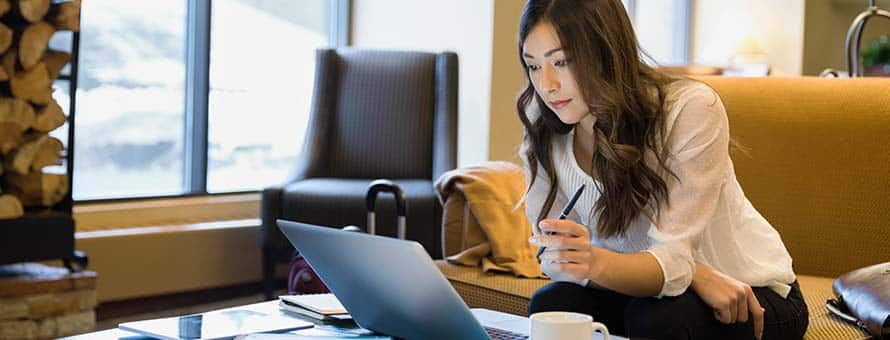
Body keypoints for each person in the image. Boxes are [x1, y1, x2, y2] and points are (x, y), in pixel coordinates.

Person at [516, 1, 809, 339]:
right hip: (648, 289)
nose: (547, 84)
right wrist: (694, 274)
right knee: (553, 304)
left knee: (657, 318)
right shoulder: (544, 128)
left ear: (605, 51)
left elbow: (671, 260)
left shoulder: (689, 110)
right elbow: (554, 259)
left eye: (561, 61)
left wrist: (601, 262)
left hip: (749, 290)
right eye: (533, 66)